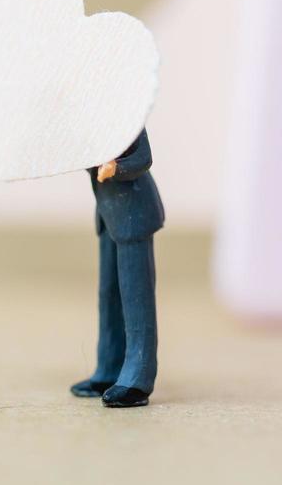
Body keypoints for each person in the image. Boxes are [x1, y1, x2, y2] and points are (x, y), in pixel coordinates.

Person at [70, 129, 163, 408]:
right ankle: (109, 367)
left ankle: (138, 376)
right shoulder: (93, 115)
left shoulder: (129, 111)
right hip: (110, 214)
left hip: (132, 212)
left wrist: (116, 167)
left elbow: (143, 158)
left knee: (136, 297)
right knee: (109, 294)